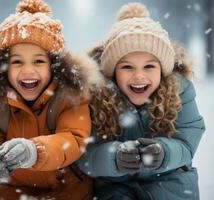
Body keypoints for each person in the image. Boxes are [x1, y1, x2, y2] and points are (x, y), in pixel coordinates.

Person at [0, 0, 102, 199]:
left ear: (54, 66)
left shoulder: (70, 95)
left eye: (38, 61)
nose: (28, 70)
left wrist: (35, 151)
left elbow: (72, 138)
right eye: (17, 62)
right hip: (13, 191)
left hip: (67, 191)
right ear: (3, 67)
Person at [77, 3, 205, 200]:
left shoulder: (179, 90)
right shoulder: (95, 95)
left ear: (162, 70)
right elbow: (84, 155)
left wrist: (164, 153)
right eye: (127, 67)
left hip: (170, 181)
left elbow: (187, 142)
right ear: (112, 72)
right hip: (114, 184)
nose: (139, 76)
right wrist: (114, 158)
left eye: (149, 66)